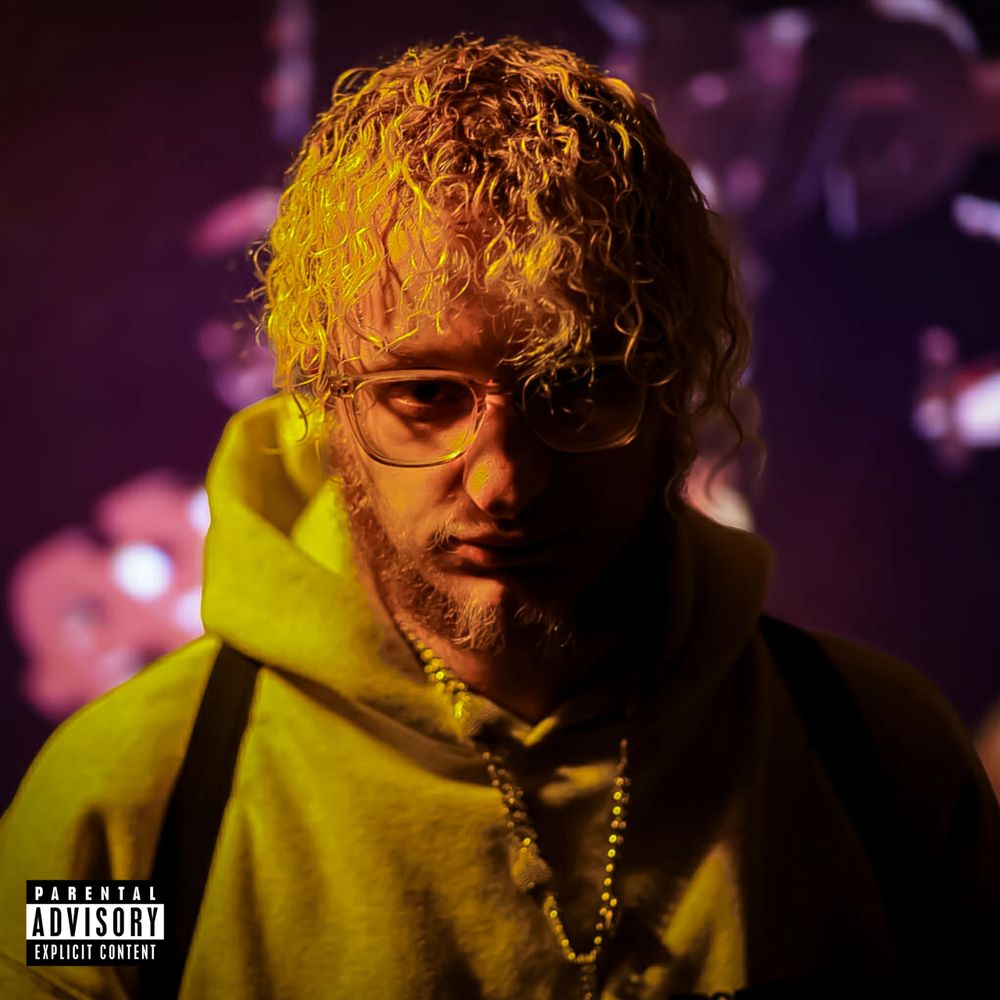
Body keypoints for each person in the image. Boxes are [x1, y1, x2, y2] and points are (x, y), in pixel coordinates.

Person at [1, 36, 997, 1000]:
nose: (503, 483)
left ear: (671, 399)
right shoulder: (131, 811)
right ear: (325, 403)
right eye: (426, 396)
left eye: (572, 392)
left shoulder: (882, 763)